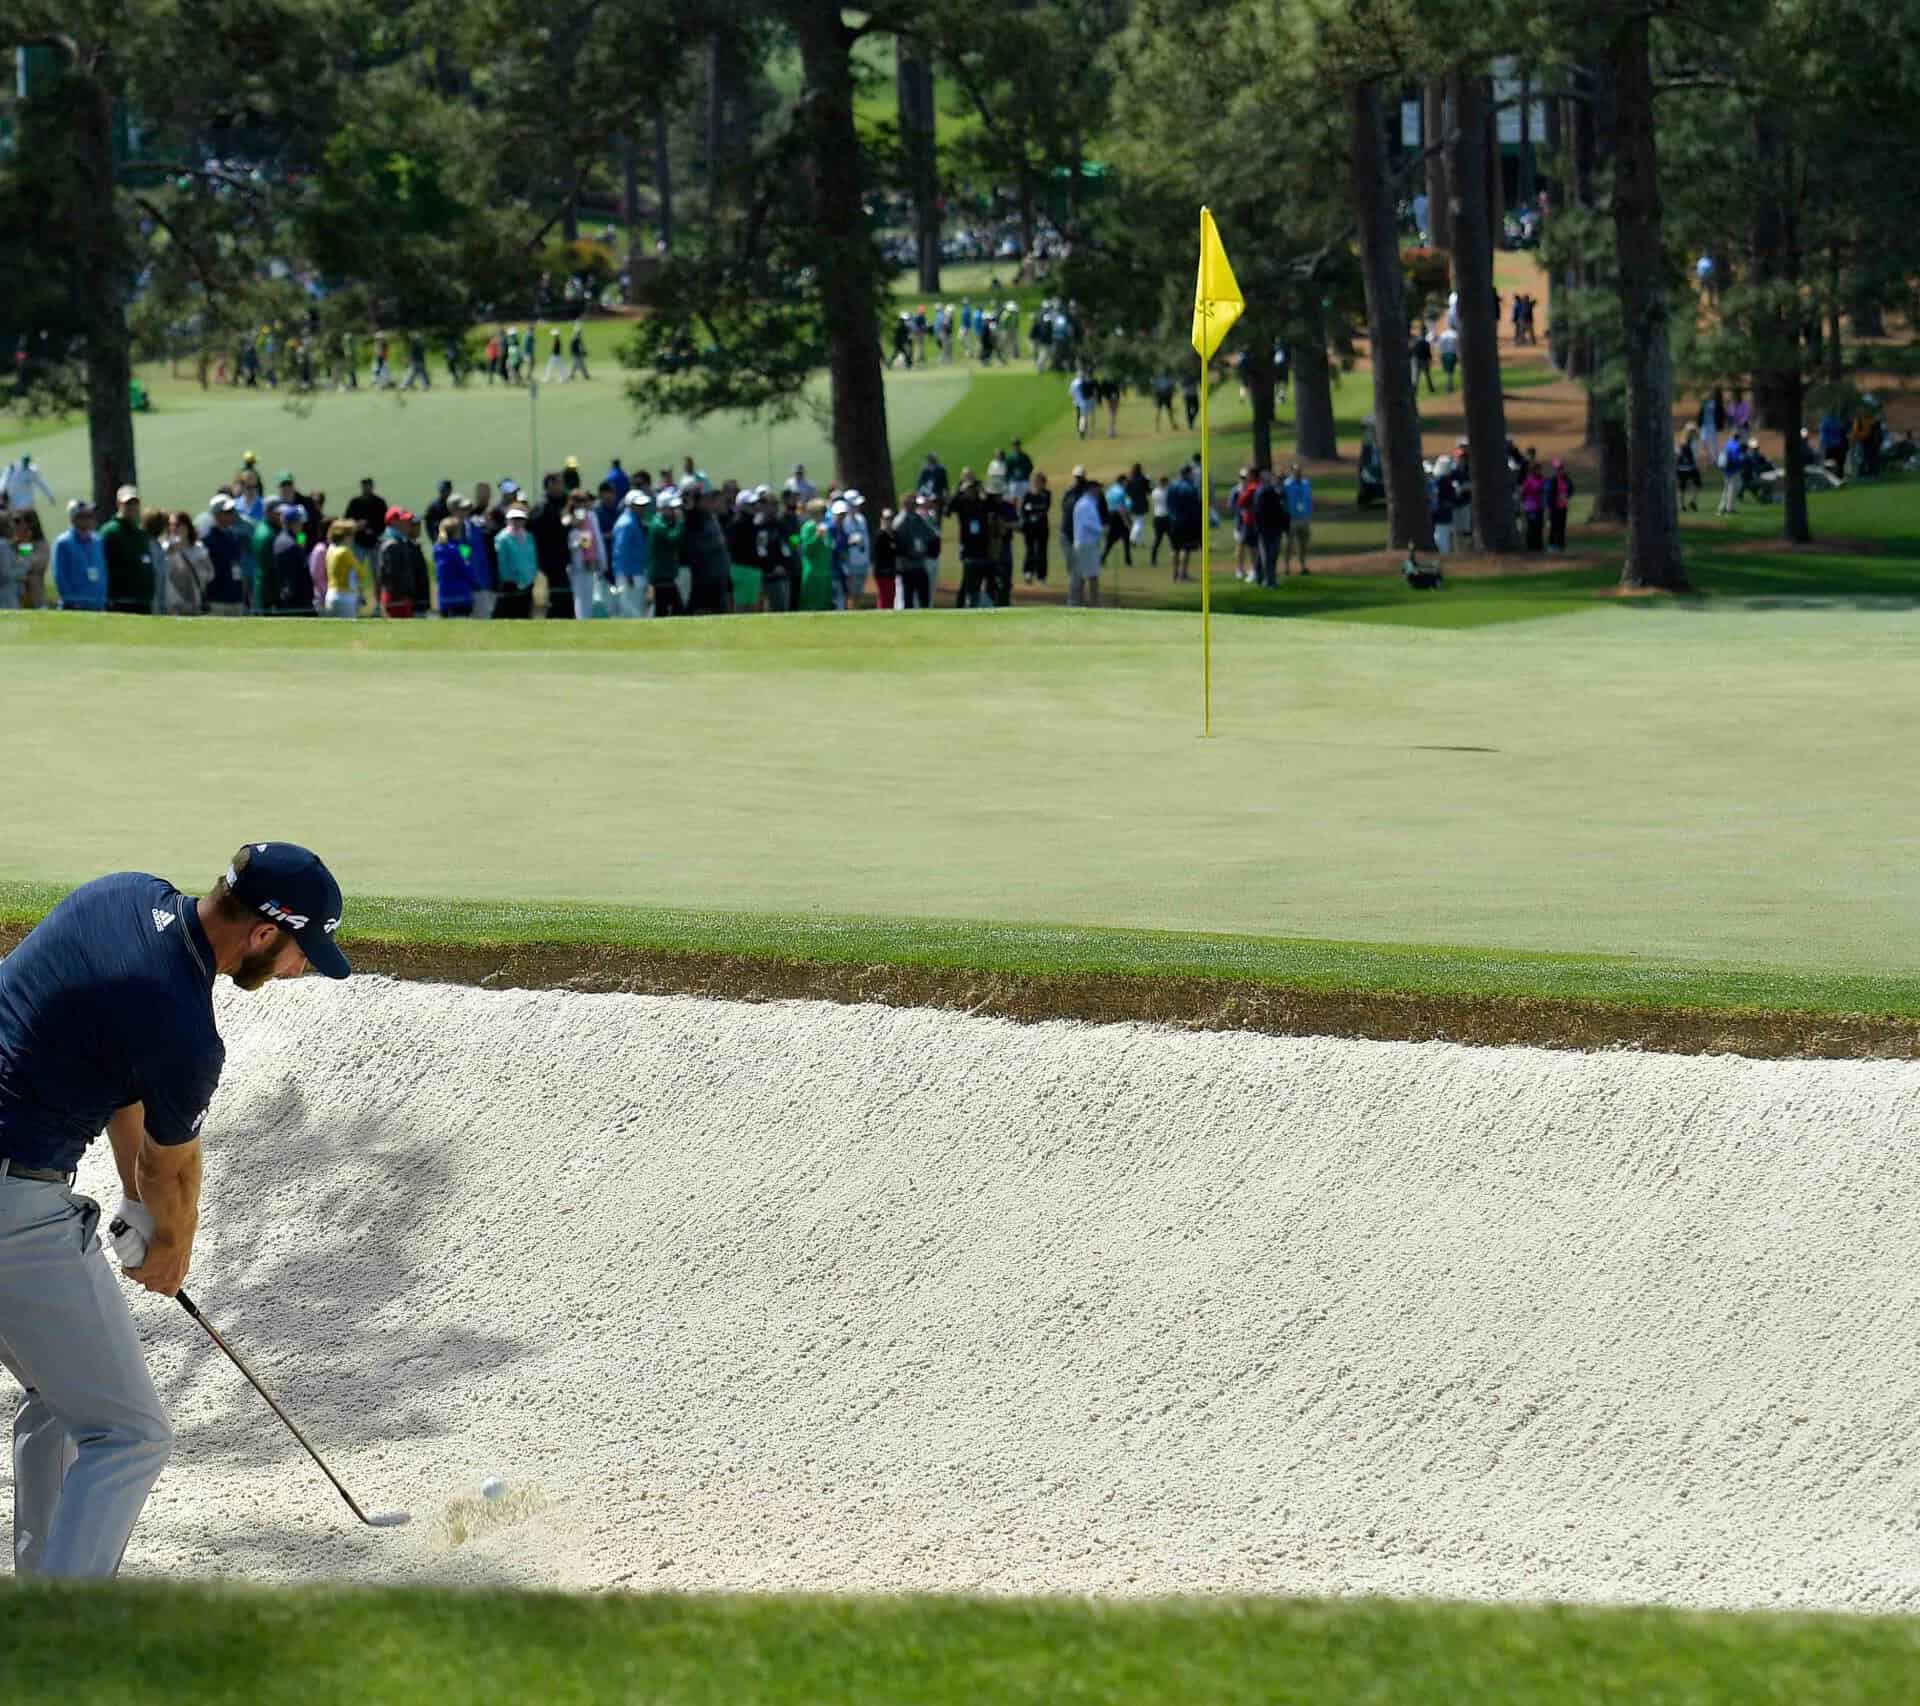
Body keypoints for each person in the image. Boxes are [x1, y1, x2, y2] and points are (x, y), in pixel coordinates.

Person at [0, 842, 349, 1579]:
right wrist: (169, 1252)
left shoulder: (122, 895)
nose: (301, 968)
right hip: (11, 1206)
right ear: (262, 933)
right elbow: (173, 1167)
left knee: (63, 1395)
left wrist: (134, 1207)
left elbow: (124, 1088)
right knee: (130, 1436)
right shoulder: (188, 1031)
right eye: (300, 952)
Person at [99, 486, 154, 615]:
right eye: (127, 503)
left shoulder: (140, 533)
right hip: (121, 602)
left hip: (144, 602)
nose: (132, 507)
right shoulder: (109, 532)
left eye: (135, 503)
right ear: (118, 504)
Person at [949, 475, 997, 608]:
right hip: (968, 548)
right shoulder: (962, 503)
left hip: (982, 548)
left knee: (984, 579)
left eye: (972, 489)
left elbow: (993, 505)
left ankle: (979, 604)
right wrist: (959, 489)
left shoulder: (982, 503)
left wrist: (984, 490)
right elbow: (950, 506)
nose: (970, 492)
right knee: (968, 581)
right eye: (968, 489)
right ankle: (962, 605)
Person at [52, 500, 106, 611]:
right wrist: (71, 601)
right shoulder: (63, 543)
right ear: (74, 518)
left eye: (91, 516)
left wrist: (102, 599)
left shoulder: (98, 540)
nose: (90, 519)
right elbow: (60, 576)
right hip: (74, 607)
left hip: (97, 604)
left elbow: (103, 571)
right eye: (85, 516)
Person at [268, 506, 318, 614]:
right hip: (297, 599)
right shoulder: (290, 545)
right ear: (292, 524)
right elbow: (293, 576)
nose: (302, 526)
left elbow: (302, 550)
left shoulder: (290, 538)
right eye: (299, 523)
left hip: (295, 597)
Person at [611, 489, 653, 617]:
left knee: (639, 610)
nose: (643, 508)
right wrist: (628, 575)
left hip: (636, 573)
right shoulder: (626, 524)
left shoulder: (634, 521)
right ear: (630, 505)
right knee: (631, 613)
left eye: (643, 505)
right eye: (639, 505)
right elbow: (620, 551)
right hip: (630, 576)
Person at [376, 509, 425, 617]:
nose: (409, 524)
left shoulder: (399, 541)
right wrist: (406, 593)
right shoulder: (392, 544)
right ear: (394, 523)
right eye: (405, 521)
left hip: (402, 597)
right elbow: (392, 575)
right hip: (397, 598)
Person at [160, 513, 211, 615]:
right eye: (170, 525)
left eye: (177, 524)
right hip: (171, 603)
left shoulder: (199, 549)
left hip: (193, 602)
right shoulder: (163, 547)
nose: (173, 528)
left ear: (187, 527)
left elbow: (209, 574)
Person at [893, 494, 938, 609]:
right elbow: (898, 543)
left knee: (924, 596)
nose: (914, 506)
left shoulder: (919, 519)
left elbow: (932, 535)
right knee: (908, 598)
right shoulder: (900, 522)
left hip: (920, 563)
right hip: (906, 565)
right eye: (912, 504)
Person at [1067, 473, 1104, 608]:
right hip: (1086, 544)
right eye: (1097, 489)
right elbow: (1089, 523)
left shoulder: (1087, 503)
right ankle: (1091, 603)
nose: (1100, 492)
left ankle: (1081, 602)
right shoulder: (1086, 504)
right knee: (1091, 575)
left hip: (1085, 544)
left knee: (1084, 574)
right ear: (1091, 489)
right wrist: (1102, 530)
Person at [494, 508, 537, 617]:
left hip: (528, 581)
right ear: (508, 520)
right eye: (514, 519)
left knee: (525, 613)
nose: (517, 521)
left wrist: (532, 576)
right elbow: (501, 561)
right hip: (511, 583)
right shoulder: (502, 538)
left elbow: (532, 557)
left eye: (520, 518)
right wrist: (508, 578)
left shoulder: (529, 537)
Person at [322, 519, 367, 617]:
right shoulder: (345, 551)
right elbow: (360, 574)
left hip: (330, 595)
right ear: (346, 536)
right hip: (345, 597)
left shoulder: (330, 549)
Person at [434, 518, 478, 617]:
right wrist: (474, 582)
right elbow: (467, 569)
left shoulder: (437, 548)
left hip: (444, 595)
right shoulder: (460, 549)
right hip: (461, 594)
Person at [1252, 471, 1290, 585]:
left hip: (1276, 529)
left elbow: (1284, 513)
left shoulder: (1281, 494)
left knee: (1272, 555)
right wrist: (1258, 528)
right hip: (1265, 529)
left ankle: (1265, 578)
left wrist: (1285, 527)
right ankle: (1268, 580)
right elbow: (1258, 512)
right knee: (1268, 556)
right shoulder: (1263, 493)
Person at [795, 498, 833, 612]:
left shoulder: (824, 526)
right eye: (822, 511)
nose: (825, 514)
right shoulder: (809, 527)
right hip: (813, 573)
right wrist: (817, 535)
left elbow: (829, 547)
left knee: (825, 606)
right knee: (811, 606)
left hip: (824, 571)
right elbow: (807, 549)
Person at [1166, 465, 1202, 582]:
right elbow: (1195, 506)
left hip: (1173, 521)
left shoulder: (1172, 486)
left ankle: (1174, 574)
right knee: (1186, 548)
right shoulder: (1191, 487)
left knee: (1175, 548)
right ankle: (1183, 574)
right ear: (1187, 473)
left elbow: (1168, 503)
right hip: (1187, 521)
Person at [10, 508, 50, 610]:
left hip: (35, 599)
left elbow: (32, 566)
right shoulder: (9, 545)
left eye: (18, 522)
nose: (15, 526)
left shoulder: (41, 545)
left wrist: (25, 543)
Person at [1280, 464, 1314, 575]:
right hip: (1292, 518)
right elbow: (1282, 501)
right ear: (1292, 472)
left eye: (1299, 471)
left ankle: (1303, 565)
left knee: (1303, 543)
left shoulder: (1306, 483)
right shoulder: (1287, 485)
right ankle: (1286, 566)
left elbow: (1309, 499)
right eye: (1296, 471)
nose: (1298, 473)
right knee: (1288, 544)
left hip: (1304, 518)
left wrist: (1309, 512)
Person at [1019, 472, 1052, 584]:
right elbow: (1023, 510)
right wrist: (1031, 512)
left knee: (1042, 551)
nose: (1039, 484)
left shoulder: (1046, 494)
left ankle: (1041, 576)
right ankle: (1028, 572)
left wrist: (1032, 509)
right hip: (1029, 527)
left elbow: (1044, 508)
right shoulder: (1028, 495)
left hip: (1042, 527)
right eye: (1037, 482)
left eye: (1041, 482)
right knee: (1030, 550)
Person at [1546, 459, 1575, 553]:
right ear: (1555, 469)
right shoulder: (1552, 480)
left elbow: (1571, 489)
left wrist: (1567, 496)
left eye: (1561, 468)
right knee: (1554, 526)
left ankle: (1561, 545)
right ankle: (1552, 545)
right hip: (1554, 507)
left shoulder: (1566, 479)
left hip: (1563, 506)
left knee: (1562, 526)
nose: (1560, 470)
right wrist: (1550, 505)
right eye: (1558, 469)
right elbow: (1549, 494)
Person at [1520, 462, 1546, 550]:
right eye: (1537, 469)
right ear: (1533, 470)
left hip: (1540, 507)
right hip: (1531, 507)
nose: (1539, 471)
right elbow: (1523, 494)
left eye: (1540, 469)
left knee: (1539, 527)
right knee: (1531, 527)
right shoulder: (1529, 480)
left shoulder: (1542, 479)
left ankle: (1539, 546)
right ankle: (1530, 546)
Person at [1717, 433, 1744, 515]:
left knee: (1726, 489)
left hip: (1725, 470)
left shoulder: (1728, 444)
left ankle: (1722, 508)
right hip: (1733, 470)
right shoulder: (1736, 446)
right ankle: (1729, 508)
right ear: (1738, 438)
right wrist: (1742, 460)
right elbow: (1736, 459)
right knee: (1732, 489)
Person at [1698, 388, 1724, 468]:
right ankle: (1709, 458)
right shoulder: (1704, 403)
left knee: (1714, 443)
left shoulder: (1716, 404)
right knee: (1703, 441)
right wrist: (1699, 423)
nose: (1709, 395)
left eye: (1710, 394)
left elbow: (1720, 414)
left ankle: (1715, 460)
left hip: (1713, 425)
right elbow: (1701, 414)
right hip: (1704, 426)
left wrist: (1720, 424)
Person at [1070, 372, 1096, 439]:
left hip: (1079, 402)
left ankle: (1081, 432)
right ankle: (1087, 431)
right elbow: (1092, 393)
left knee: (1081, 417)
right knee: (1086, 417)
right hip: (1085, 402)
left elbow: (1072, 393)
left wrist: (1074, 400)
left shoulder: (1074, 383)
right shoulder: (1085, 382)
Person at [1410, 324, 1435, 393]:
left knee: (1416, 377)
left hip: (1417, 360)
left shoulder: (1416, 341)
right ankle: (1431, 389)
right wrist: (1430, 359)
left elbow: (1413, 351)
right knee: (1427, 375)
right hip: (1423, 360)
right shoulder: (1425, 342)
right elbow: (1428, 353)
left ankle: (1414, 391)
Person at [1438, 324, 1460, 392]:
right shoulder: (1455, 335)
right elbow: (1457, 346)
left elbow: (1440, 346)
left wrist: (1441, 355)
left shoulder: (1443, 335)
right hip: (1452, 354)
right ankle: (1449, 387)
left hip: (1444, 354)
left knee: (1448, 372)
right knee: (1450, 372)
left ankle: (1449, 386)